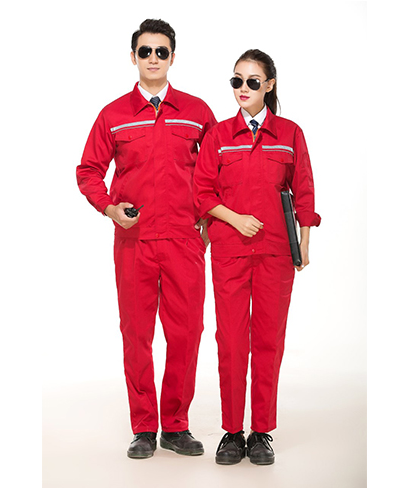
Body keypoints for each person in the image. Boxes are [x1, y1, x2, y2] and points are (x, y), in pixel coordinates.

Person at [76, 19, 217, 459]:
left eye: (161, 51)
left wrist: (209, 221)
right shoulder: (113, 115)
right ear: (133, 57)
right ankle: (143, 427)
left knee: (186, 333)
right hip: (133, 241)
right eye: (145, 51)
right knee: (137, 335)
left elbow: (218, 170)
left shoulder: (196, 111)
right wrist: (109, 208)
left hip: (184, 240)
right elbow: (88, 170)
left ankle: (175, 425)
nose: (153, 58)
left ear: (173, 57)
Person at [193, 49, 321, 465]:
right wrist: (236, 219)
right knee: (231, 341)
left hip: (276, 254)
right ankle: (232, 431)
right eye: (236, 80)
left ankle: (261, 431)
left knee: (268, 341)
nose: (243, 88)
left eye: (252, 81)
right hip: (230, 252)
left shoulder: (289, 133)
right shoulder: (218, 136)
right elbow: (202, 193)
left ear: (269, 85)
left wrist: (303, 242)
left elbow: (304, 190)